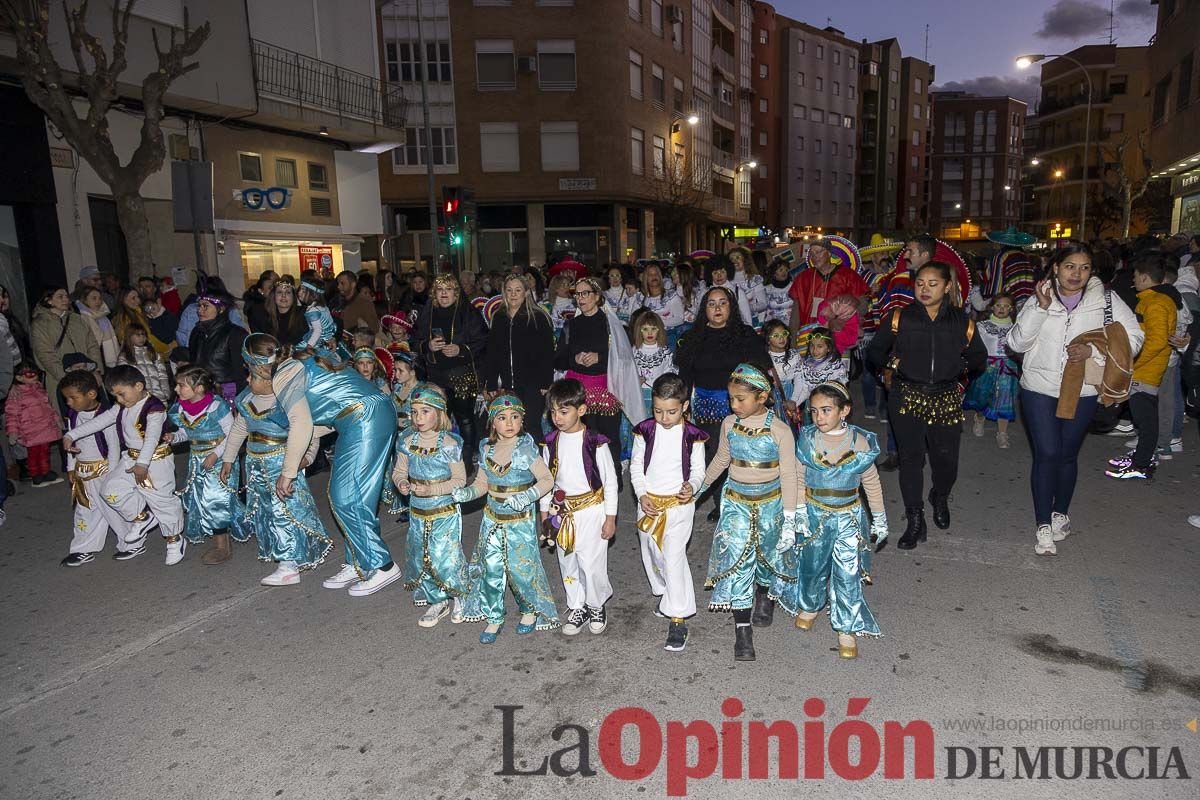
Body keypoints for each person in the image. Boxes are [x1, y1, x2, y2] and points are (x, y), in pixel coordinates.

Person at [242, 334, 400, 595]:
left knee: (347, 498)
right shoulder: (297, 361)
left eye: (248, 369)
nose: (248, 377)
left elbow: (301, 423)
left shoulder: (283, 374)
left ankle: (382, 566)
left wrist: (288, 472)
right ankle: (359, 561)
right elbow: (321, 416)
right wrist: (306, 453)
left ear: (256, 365)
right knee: (350, 497)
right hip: (362, 416)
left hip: (363, 417)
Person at [1008, 243, 1141, 554]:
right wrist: (1040, 308)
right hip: (1038, 388)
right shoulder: (1039, 295)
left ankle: (1060, 514)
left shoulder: (1105, 300)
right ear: (1056, 268)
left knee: (1067, 455)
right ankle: (1042, 526)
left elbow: (1134, 337)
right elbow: (1015, 341)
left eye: (1083, 268)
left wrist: (1094, 350)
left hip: (1082, 390)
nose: (1076, 274)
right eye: (1069, 266)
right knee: (1048, 453)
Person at [867, 261, 986, 549]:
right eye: (920, 283)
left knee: (946, 462)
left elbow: (979, 358)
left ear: (947, 287)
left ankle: (940, 495)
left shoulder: (962, 321)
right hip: (906, 395)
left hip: (945, 397)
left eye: (933, 284)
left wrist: (958, 371)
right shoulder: (900, 317)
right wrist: (891, 368)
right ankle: (914, 519)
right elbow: (874, 352)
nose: (925, 289)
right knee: (911, 460)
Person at [773, 382, 887, 659]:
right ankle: (811, 605)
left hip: (848, 516)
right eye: (814, 411)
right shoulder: (808, 440)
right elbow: (799, 476)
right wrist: (799, 510)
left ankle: (846, 626)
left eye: (826, 410)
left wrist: (880, 517)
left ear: (844, 410)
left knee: (847, 574)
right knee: (812, 566)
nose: (819, 417)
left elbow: (870, 480)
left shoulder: (859, 442)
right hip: (814, 515)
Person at [697, 363, 798, 662]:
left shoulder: (779, 430)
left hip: (771, 504)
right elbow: (720, 461)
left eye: (740, 399)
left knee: (766, 554)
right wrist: (697, 489)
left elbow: (790, 475)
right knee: (740, 562)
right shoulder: (729, 424)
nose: (734, 405)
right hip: (736, 505)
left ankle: (764, 595)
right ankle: (743, 631)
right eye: (731, 399)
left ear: (763, 397)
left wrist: (790, 518)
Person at [453, 395, 560, 643]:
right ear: (493, 423)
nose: (509, 423)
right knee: (491, 569)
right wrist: (467, 493)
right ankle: (494, 616)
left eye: (515, 417)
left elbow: (547, 480)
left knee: (521, 570)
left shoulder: (526, 450)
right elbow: (482, 483)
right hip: (492, 520)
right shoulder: (486, 448)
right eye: (502, 418)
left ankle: (529, 610)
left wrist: (527, 496)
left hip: (519, 522)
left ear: (522, 421)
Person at [221, 354, 333, 587]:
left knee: (285, 511)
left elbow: (306, 430)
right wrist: (229, 459)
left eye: (253, 376)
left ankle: (288, 565)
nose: (248, 379)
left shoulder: (287, 400)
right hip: (254, 464)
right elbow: (239, 428)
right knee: (265, 512)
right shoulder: (247, 399)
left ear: (270, 381)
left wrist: (307, 458)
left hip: (281, 465)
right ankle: (288, 555)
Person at [62, 365, 184, 564]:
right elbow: (100, 421)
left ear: (138, 386)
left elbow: (152, 438)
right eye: (115, 396)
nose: (118, 400)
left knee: (162, 502)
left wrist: (143, 464)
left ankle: (174, 539)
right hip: (130, 458)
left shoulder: (154, 408)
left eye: (121, 394)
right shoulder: (122, 406)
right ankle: (141, 517)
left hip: (155, 461)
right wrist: (71, 435)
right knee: (110, 490)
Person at [674, 286, 770, 521]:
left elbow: (759, 371)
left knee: (740, 455)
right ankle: (722, 502)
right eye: (711, 303)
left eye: (723, 303)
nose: (717, 308)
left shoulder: (745, 335)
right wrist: (682, 405)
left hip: (740, 407)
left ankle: (743, 501)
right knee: (712, 455)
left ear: (732, 307)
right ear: (704, 308)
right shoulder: (693, 336)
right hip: (706, 408)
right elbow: (685, 374)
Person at [630, 374, 707, 652]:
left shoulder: (693, 436)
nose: (664, 417)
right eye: (658, 410)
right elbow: (637, 466)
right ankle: (667, 595)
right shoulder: (645, 431)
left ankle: (678, 617)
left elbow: (699, 470)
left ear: (684, 406)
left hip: (678, 505)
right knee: (653, 553)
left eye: (671, 411)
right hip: (649, 503)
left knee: (674, 557)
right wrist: (641, 494)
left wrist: (693, 486)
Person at [541, 377, 620, 638]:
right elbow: (546, 481)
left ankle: (596, 605)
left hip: (591, 511)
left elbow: (609, 482)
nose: (557, 417)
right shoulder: (550, 442)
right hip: (561, 512)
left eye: (564, 411)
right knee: (567, 561)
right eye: (553, 411)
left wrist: (610, 518)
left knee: (592, 562)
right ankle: (577, 606)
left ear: (582, 410)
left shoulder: (595, 441)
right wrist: (545, 513)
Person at [553, 275, 645, 477]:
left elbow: (624, 358)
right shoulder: (571, 325)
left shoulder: (610, 324)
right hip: (577, 391)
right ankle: (585, 480)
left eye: (585, 293)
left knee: (608, 437)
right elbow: (558, 361)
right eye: (577, 294)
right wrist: (574, 357)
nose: (581, 298)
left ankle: (612, 480)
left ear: (597, 296)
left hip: (606, 387)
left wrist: (600, 357)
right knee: (580, 436)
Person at [393, 383, 469, 626]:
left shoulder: (449, 443)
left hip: (444, 510)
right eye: (414, 412)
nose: (418, 417)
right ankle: (437, 600)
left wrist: (433, 489)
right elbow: (398, 471)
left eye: (425, 411)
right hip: (417, 510)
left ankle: (459, 594)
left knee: (445, 555)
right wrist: (402, 482)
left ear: (439, 413)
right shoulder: (407, 441)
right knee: (422, 555)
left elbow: (459, 480)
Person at [1106, 255, 1179, 481]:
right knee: (1144, 418)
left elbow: (1157, 341)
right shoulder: (1153, 300)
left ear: (1146, 278)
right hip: (1146, 369)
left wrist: (1133, 363)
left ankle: (1142, 463)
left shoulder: (1155, 302)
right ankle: (1141, 457)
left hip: (1145, 372)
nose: (1133, 281)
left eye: (1136, 277)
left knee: (1145, 419)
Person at [167, 365, 244, 565]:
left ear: (199, 388)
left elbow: (232, 434)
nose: (176, 389)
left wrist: (215, 454)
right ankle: (221, 536)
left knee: (215, 500)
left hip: (219, 458)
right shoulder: (181, 407)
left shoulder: (217, 406)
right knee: (200, 499)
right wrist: (173, 437)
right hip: (197, 459)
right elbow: (187, 432)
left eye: (181, 385)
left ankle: (222, 546)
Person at [415, 274, 489, 462]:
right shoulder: (428, 312)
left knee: (464, 417)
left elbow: (483, 340)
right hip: (436, 375)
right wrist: (427, 346)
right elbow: (414, 340)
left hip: (462, 375)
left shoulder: (468, 312)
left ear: (456, 293)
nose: (444, 294)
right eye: (440, 290)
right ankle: (439, 457)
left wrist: (461, 349)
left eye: (448, 289)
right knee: (438, 418)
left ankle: (468, 456)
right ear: (434, 293)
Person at [59, 370, 126, 565]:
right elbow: (71, 445)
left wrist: (112, 473)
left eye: (73, 398)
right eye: (67, 399)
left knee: (112, 507)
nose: (69, 403)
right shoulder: (72, 415)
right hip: (83, 471)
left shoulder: (105, 415)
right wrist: (71, 467)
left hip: (103, 470)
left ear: (91, 394)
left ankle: (129, 541)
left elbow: (113, 446)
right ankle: (83, 548)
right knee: (85, 510)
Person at [482, 274, 556, 443]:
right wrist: (491, 381)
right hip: (508, 384)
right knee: (511, 427)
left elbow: (547, 352)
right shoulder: (499, 318)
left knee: (532, 425)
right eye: (509, 290)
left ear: (526, 293)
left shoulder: (538, 317)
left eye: (518, 290)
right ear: (504, 293)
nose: (513, 294)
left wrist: (546, 382)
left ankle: (539, 465)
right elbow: (492, 352)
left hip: (534, 384)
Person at [963, 293, 1019, 448]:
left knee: (1005, 399)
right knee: (982, 397)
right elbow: (974, 347)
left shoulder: (1016, 327)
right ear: (992, 307)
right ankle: (979, 418)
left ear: (1011, 309)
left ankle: (1002, 433)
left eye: (1006, 306)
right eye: (998, 305)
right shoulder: (982, 326)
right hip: (987, 366)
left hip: (1008, 367)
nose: (1002, 309)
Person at [31, 287, 102, 404]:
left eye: (66, 296)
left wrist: (96, 370)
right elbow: (44, 354)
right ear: (49, 300)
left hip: (87, 373)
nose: (65, 299)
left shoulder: (77, 319)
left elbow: (92, 345)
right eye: (60, 297)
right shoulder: (40, 324)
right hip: (60, 379)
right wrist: (65, 377)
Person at [788, 239, 870, 332]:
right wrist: (793, 341)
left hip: (839, 334)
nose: (815, 256)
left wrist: (842, 320)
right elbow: (795, 314)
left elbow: (863, 306)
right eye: (811, 253)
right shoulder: (803, 278)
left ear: (829, 253)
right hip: (809, 334)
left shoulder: (848, 275)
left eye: (818, 252)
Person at [5, 362, 63, 486]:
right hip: (30, 430)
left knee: (44, 451)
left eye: (35, 373)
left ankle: (45, 471)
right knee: (33, 454)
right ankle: (36, 474)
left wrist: (56, 419)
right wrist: (13, 432)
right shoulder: (16, 394)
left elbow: (48, 406)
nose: (34, 376)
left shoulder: (39, 388)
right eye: (29, 374)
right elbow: (12, 415)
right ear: (19, 377)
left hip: (45, 427)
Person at [187, 295, 248, 404]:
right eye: (199, 306)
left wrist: (239, 400)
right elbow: (193, 363)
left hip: (228, 394)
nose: (200, 310)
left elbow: (241, 372)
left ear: (221, 309)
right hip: (202, 391)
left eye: (205, 306)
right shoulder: (197, 332)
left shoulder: (235, 333)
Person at [382, 349, 419, 520]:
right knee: (400, 470)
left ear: (412, 371)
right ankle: (405, 504)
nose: (395, 374)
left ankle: (418, 504)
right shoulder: (396, 388)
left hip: (415, 438)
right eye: (395, 370)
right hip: (398, 438)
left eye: (400, 370)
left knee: (415, 472)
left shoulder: (421, 390)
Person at [632, 311, 675, 415]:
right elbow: (629, 373)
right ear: (639, 331)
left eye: (653, 329)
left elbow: (669, 373)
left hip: (658, 396)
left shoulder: (664, 352)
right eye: (645, 329)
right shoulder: (634, 350)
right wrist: (636, 380)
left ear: (659, 330)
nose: (650, 333)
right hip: (638, 396)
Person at [117, 323, 171, 403]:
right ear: (129, 337)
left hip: (159, 397)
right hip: (140, 399)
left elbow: (163, 375)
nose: (141, 338)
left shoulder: (153, 354)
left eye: (143, 335)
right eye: (138, 335)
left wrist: (165, 392)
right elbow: (125, 380)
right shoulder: (125, 357)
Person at [639, 264, 687, 347]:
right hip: (648, 338)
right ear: (646, 279)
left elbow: (680, 319)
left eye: (656, 274)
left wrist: (656, 322)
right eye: (650, 275)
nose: (654, 276)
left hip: (668, 335)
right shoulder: (642, 299)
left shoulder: (671, 295)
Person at [73, 286, 119, 368]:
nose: (98, 301)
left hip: (105, 356)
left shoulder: (104, 317)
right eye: (94, 298)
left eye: (100, 298)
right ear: (85, 300)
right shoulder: (80, 317)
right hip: (91, 357)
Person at [261, 277, 309, 343]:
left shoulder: (305, 314)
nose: (283, 295)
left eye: (288, 292)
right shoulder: (267, 318)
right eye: (279, 292)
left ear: (293, 296)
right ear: (274, 296)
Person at [297, 279, 338, 352]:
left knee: (297, 349)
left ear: (314, 295)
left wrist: (309, 346)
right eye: (300, 290)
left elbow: (317, 330)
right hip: (328, 337)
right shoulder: (323, 307)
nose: (299, 293)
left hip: (318, 341)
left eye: (303, 291)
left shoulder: (313, 311)